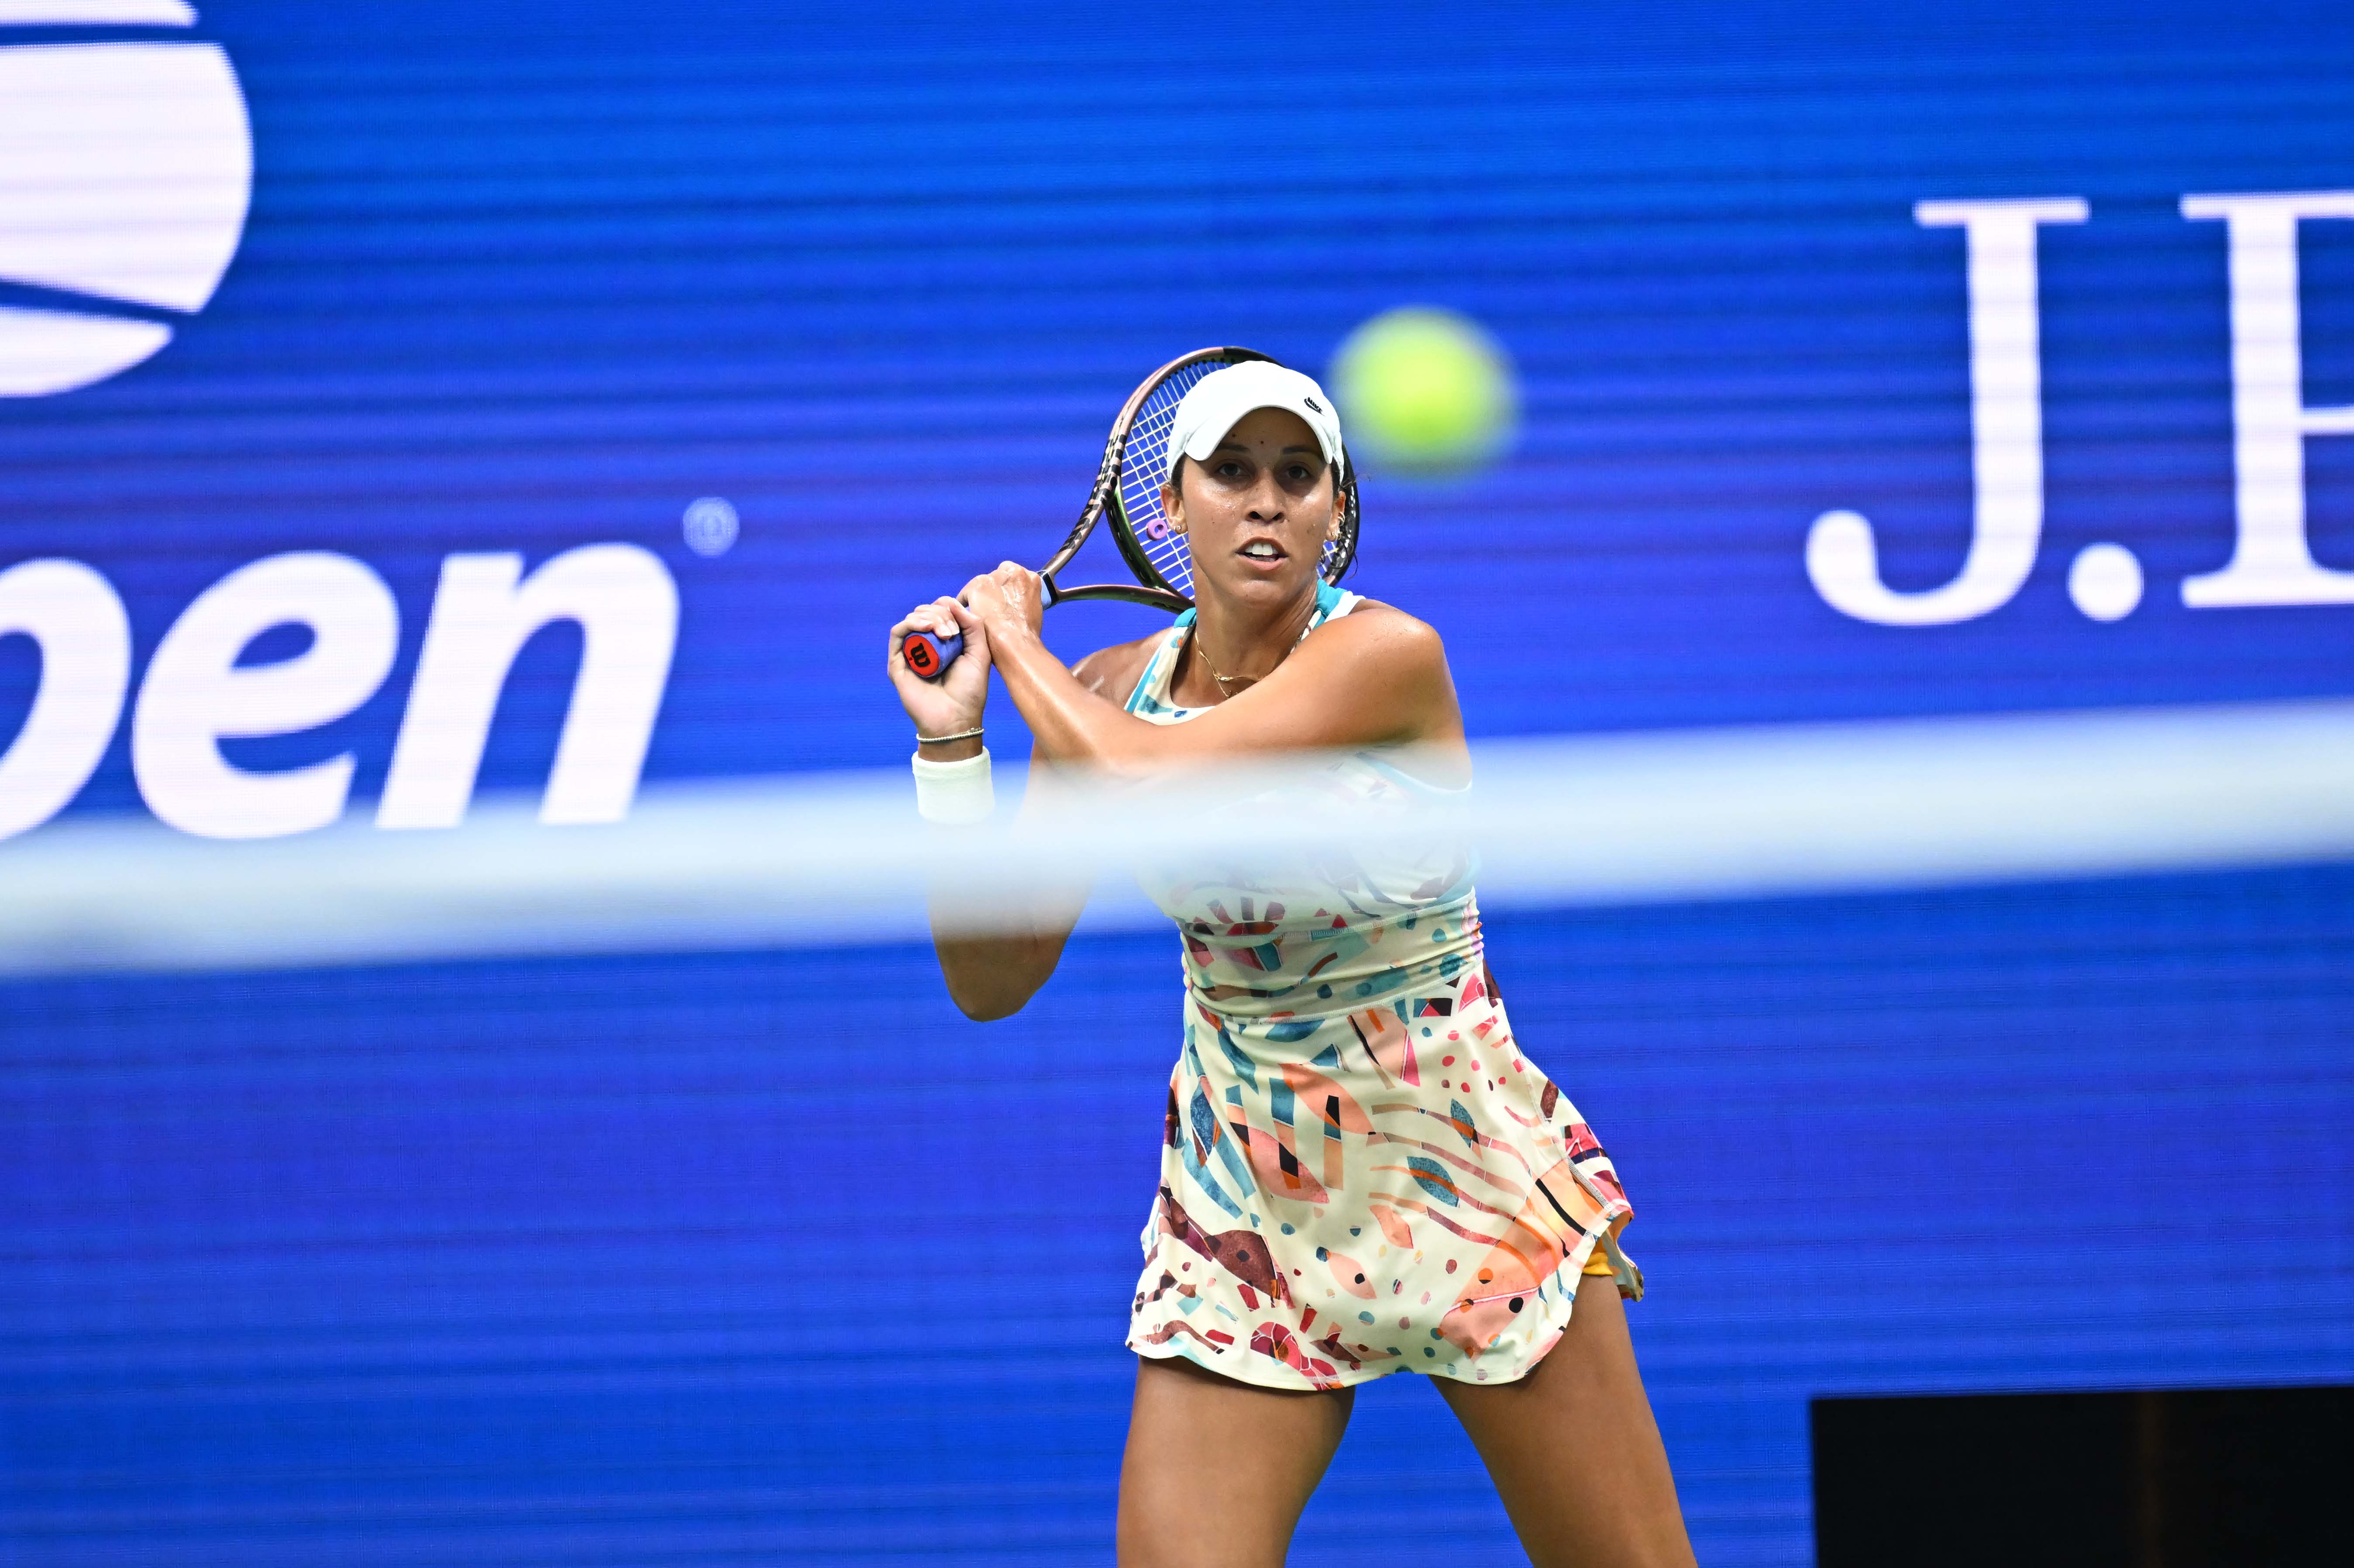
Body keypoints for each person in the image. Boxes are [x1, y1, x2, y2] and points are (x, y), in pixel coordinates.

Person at [886, 361, 1695, 1568]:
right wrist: (953, 751)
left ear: (1335, 513)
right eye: (1233, 472)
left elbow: (1152, 775)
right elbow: (992, 979)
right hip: (1248, 1208)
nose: (1266, 500)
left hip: (1462, 1181)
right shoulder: (1107, 692)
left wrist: (1011, 641)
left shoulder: (1388, 659)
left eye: (1297, 474)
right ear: (1171, 506)